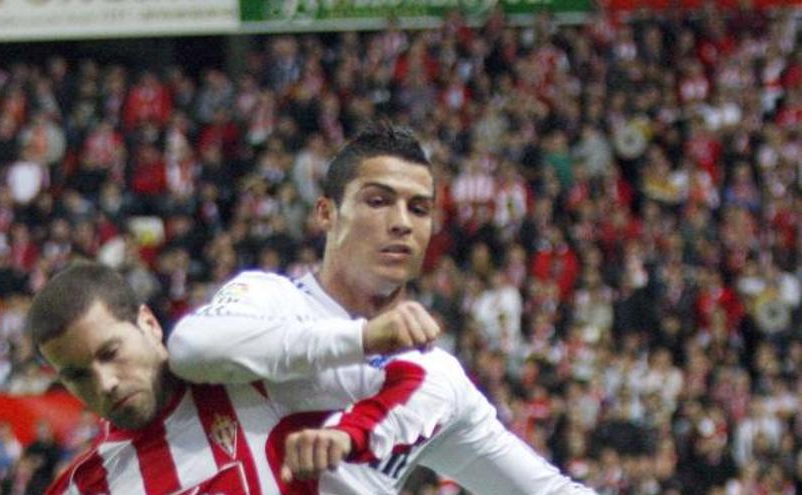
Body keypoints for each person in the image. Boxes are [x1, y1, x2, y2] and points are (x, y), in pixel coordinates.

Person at [168, 122, 596, 494]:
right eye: (378, 201)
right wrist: (363, 338)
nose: (402, 222)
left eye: (419, 208)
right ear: (327, 214)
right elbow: (190, 348)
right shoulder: (270, 298)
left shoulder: (436, 379)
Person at [26, 261, 434, 494]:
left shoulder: (250, 367)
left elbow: (424, 380)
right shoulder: (86, 487)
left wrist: (364, 339)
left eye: (110, 353)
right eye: (78, 376)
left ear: (148, 323)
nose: (105, 383)